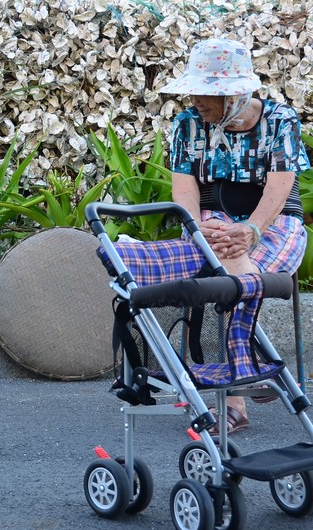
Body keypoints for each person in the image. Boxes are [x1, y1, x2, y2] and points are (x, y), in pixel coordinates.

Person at [160, 38, 309, 434]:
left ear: (237, 93)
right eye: (195, 89)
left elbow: (280, 187)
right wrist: (195, 228)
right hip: (211, 222)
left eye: (208, 92)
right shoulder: (186, 124)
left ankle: (235, 399)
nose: (196, 99)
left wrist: (252, 229)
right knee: (223, 258)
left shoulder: (281, 120)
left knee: (227, 274)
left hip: (273, 224)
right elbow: (184, 189)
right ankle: (250, 367)